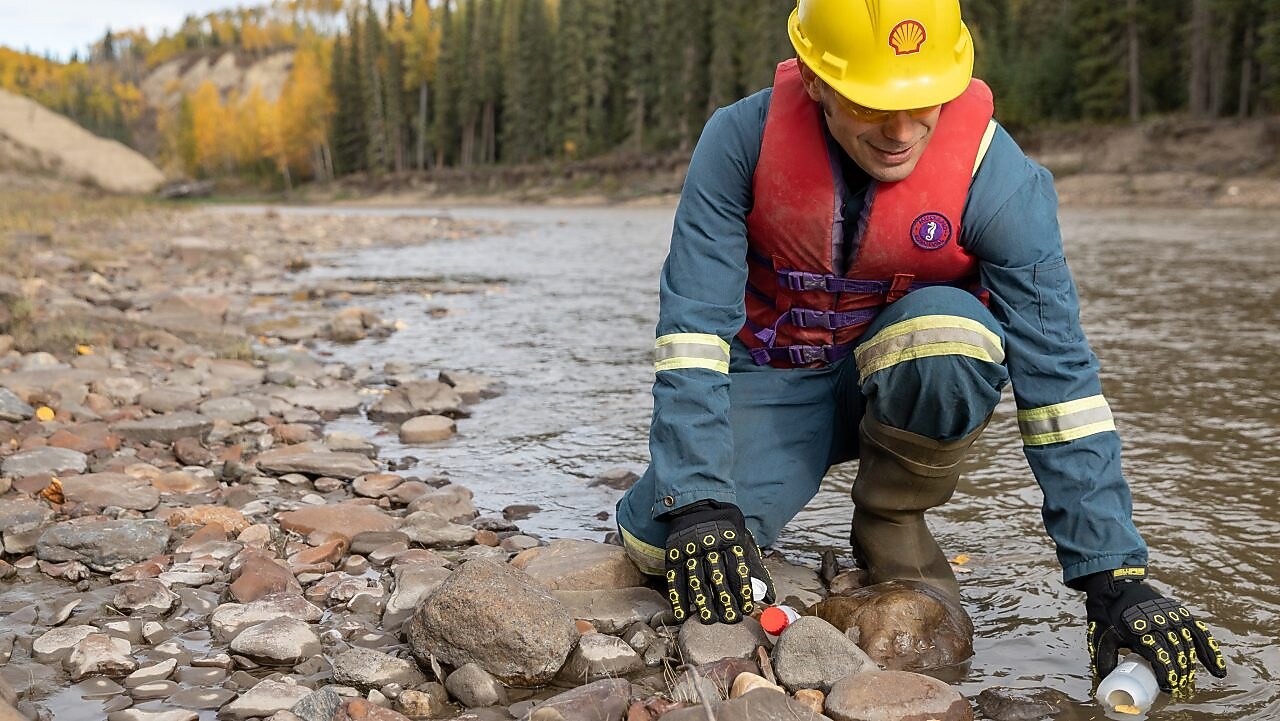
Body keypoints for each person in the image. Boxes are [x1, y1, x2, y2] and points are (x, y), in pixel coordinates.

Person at [615, 0, 1228, 695]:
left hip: (906, 376)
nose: (902, 131)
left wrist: (1113, 575)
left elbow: (1061, 386)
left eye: (924, 99)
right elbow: (692, 333)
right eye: (872, 103)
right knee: (664, 545)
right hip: (776, 375)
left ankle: (892, 517)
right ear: (816, 82)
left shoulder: (1000, 180)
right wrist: (696, 498)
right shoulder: (738, 142)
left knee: (951, 330)